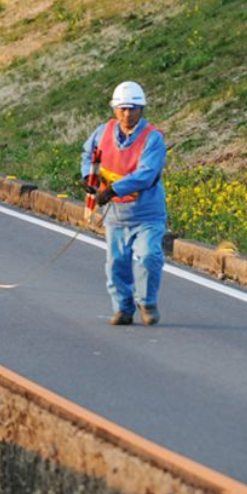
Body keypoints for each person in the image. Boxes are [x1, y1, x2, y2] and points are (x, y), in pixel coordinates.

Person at [81, 81, 168, 327]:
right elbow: (88, 155)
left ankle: (147, 302)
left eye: (132, 108)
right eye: (122, 108)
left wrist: (112, 190)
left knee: (148, 256)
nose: (127, 113)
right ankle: (123, 308)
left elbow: (147, 174)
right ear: (114, 109)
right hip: (117, 216)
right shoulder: (102, 132)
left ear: (141, 109)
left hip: (147, 213)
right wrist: (88, 177)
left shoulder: (152, 139)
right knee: (116, 264)